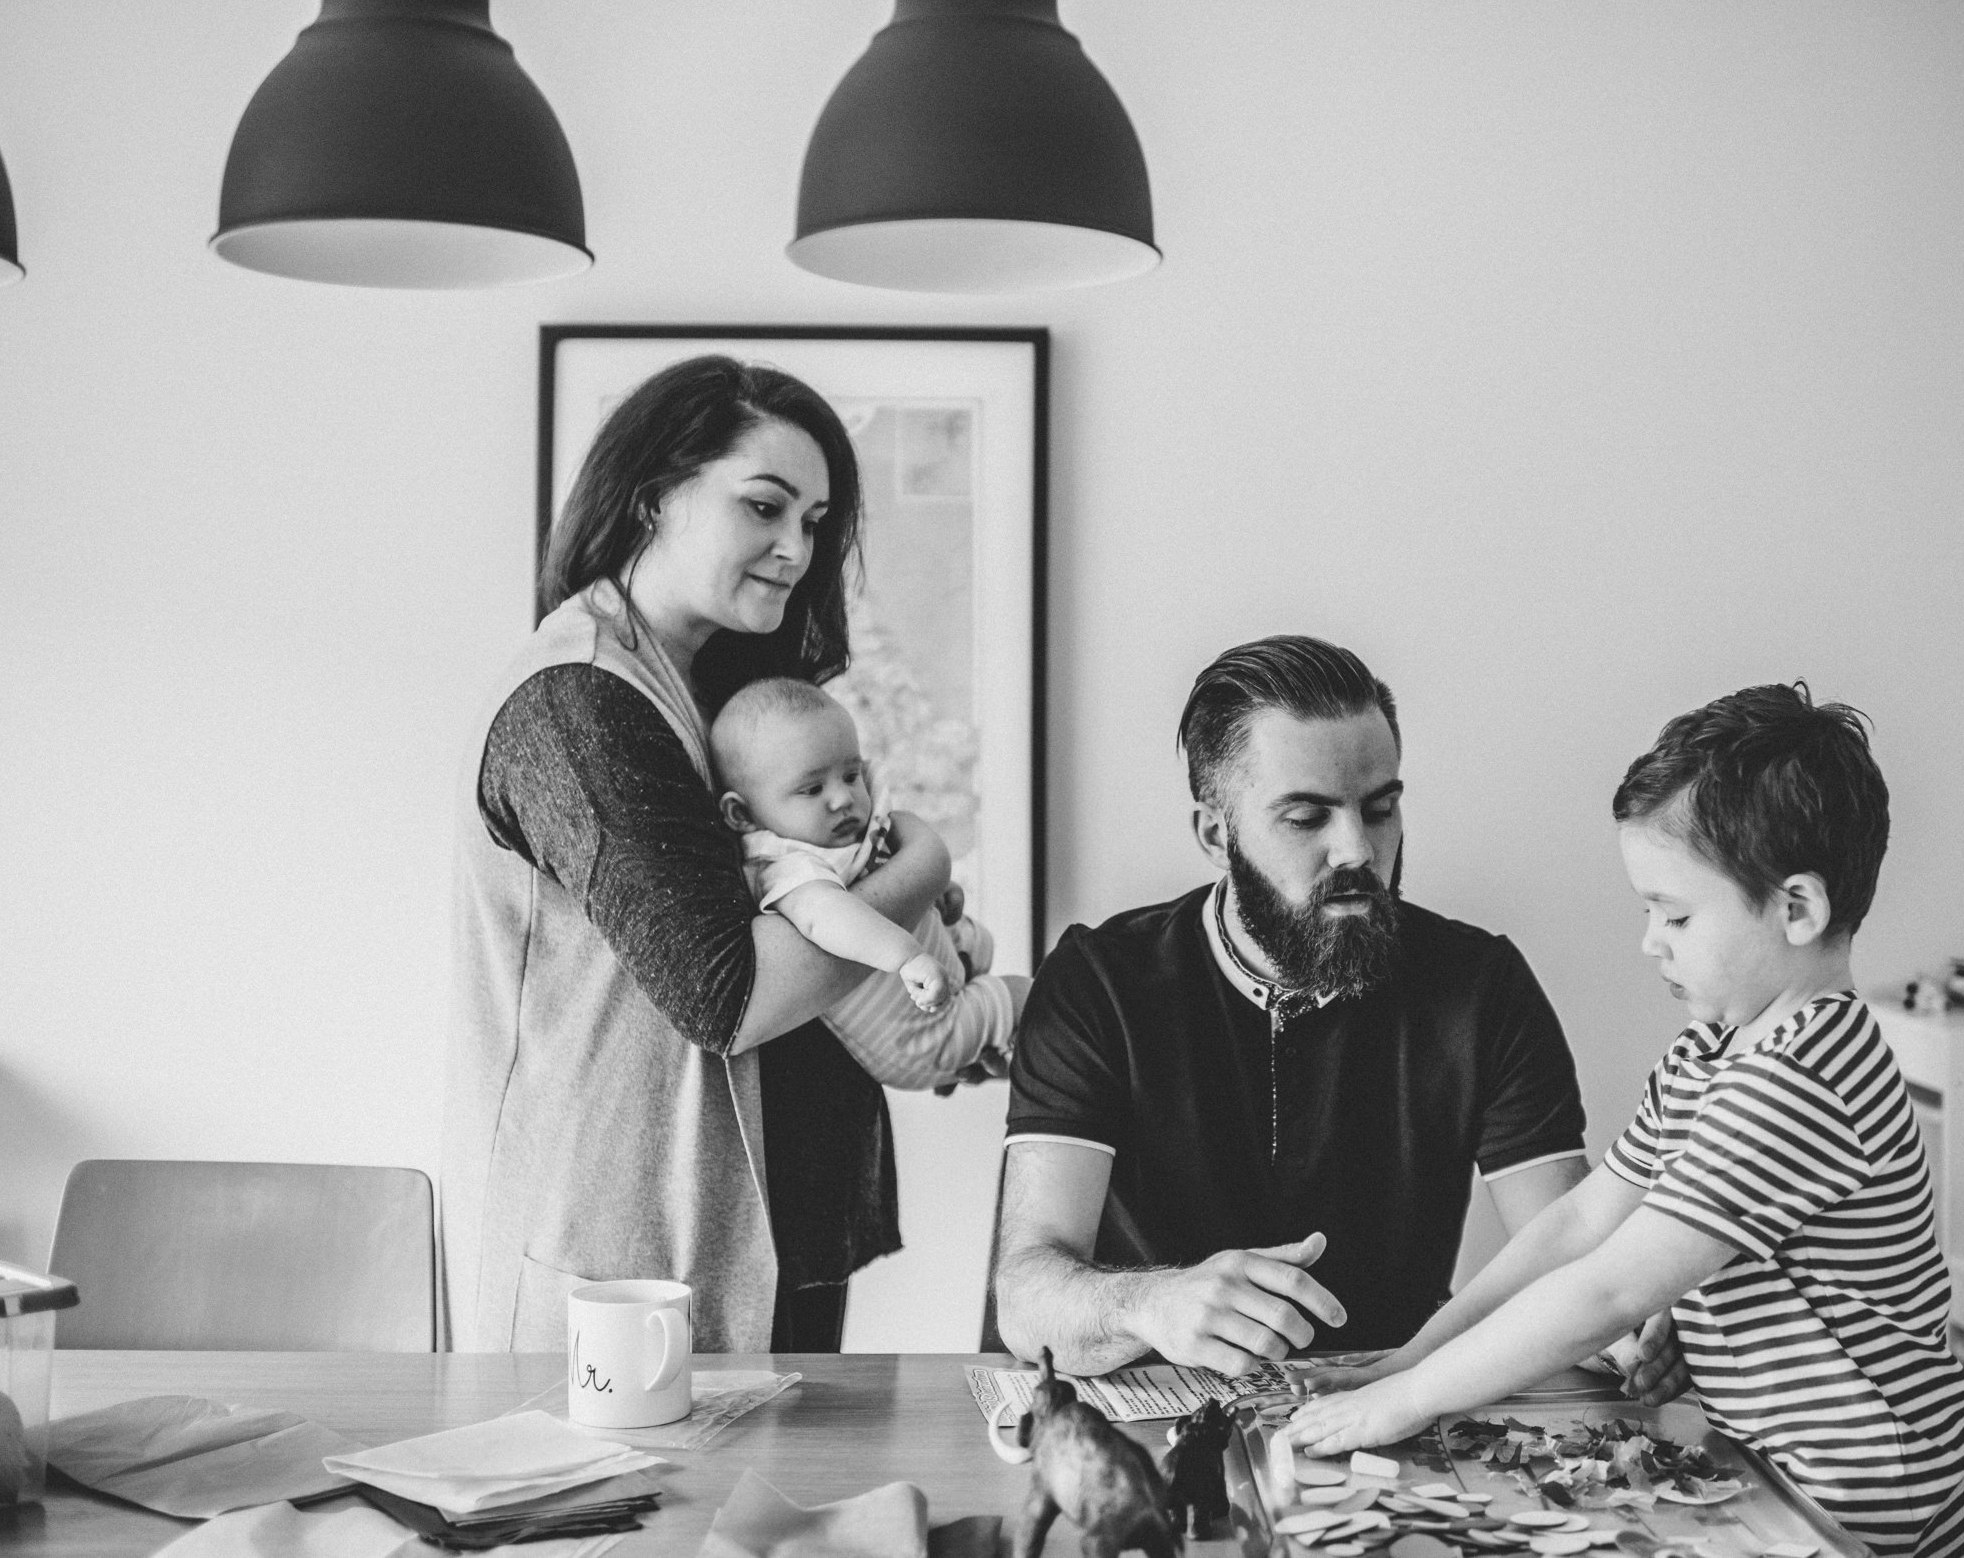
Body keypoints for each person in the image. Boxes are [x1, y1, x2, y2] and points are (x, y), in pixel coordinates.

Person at [1286, 683, 1964, 1558]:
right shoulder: (1706, 1054)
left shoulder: (1802, 1077)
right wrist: (1412, 1357)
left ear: (1797, 909)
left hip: (1875, 1511)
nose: (1649, 941)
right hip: (1781, 1473)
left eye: (1676, 914)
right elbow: (1580, 1224)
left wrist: (1408, 1400)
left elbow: (1612, 1287)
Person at [993, 635, 1688, 1394]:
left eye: (1380, 807)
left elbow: (1568, 1257)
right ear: (1214, 835)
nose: (1356, 848)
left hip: (1398, 1412)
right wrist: (1151, 1302)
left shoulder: (1480, 985)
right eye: (1305, 818)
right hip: (1142, 1414)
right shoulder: (1098, 981)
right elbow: (1026, 1301)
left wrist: (1623, 1329)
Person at [442, 355, 958, 1356]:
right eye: (763, 507)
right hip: (621, 1251)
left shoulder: (716, 692)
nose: (795, 550)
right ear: (653, 497)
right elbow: (732, 996)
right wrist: (925, 866)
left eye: (813, 522)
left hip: (771, 1227)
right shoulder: (577, 703)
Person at [709, 675, 1026, 1089]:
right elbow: (826, 918)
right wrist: (906, 957)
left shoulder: (838, 839)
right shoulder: (788, 868)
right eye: (813, 788)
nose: (842, 798)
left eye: (851, 774)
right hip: (921, 1036)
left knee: (982, 946)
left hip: (936, 984)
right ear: (742, 816)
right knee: (1032, 996)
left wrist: (936, 898)